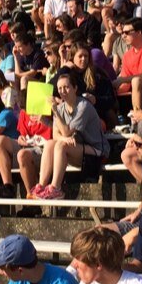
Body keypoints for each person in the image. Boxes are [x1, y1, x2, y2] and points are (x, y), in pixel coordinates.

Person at [37, 70, 108, 200]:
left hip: (97, 150)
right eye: (59, 88)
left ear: (75, 88)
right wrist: (65, 138)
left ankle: (56, 188)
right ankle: (41, 185)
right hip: (77, 148)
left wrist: (56, 114)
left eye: (66, 87)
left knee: (60, 146)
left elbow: (66, 132)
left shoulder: (83, 106)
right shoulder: (60, 108)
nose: (62, 91)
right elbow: (56, 135)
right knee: (50, 143)